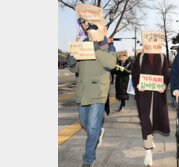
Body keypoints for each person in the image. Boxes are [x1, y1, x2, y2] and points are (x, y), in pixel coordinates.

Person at [67, 4, 117, 166]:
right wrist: (71, 61)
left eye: (93, 30)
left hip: (98, 92)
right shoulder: (81, 44)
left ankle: (88, 158)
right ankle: (96, 133)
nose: (90, 33)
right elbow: (75, 68)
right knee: (84, 122)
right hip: (83, 91)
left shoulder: (108, 45)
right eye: (88, 30)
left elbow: (110, 64)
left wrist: (96, 50)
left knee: (93, 127)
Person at [132, 52, 170, 166]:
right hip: (143, 96)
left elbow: (166, 75)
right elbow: (135, 74)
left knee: (156, 119)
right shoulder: (141, 56)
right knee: (146, 121)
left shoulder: (162, 57)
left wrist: (164, 85)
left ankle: (150, 137)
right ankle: (148, 150)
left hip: (158, 96)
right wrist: (138, 84)